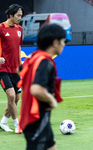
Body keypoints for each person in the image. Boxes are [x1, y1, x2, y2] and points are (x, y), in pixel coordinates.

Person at [17, 23, 65, 150]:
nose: (64, 44)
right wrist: (52, 100)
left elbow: (19, 69)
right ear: (55, 43)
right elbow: (36, 89)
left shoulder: (34, 56)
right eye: (62, 41)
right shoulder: (45, 62)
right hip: (36, 119)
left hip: (34, 117)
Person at [0, 4, 24, 133]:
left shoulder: (19, 29)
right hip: (2, 68)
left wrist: (19, 63)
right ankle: (17, 125)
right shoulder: (1, 28)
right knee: (11, 95)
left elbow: (18, 47)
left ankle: (3, 122)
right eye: (18, 15)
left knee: (16, 98)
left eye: (21, 15)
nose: (20, 18)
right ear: (11, 15)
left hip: (15, 69)